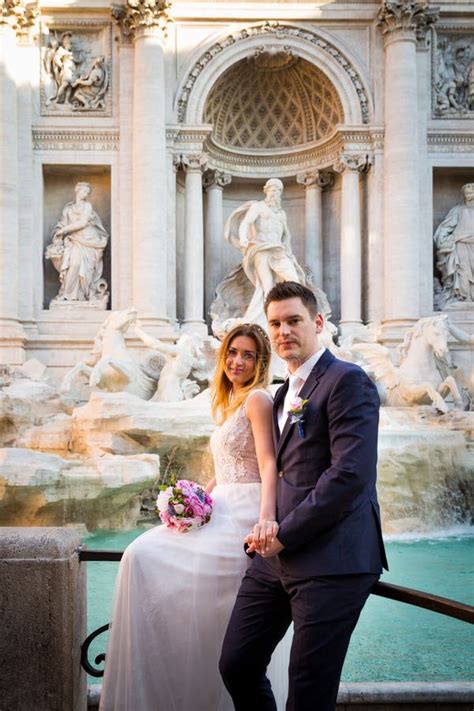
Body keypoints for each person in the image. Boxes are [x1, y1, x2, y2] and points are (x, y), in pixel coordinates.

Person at [99, 322, 289, 711]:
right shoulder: (232, 401)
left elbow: (269, 465)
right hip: (223, 504)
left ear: (260, 361)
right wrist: (197, 497)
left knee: (145, 557)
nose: (238, 361)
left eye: (248, 354)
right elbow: (232, 464)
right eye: (233, 352)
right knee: (142, 555)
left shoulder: (257, 400)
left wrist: (266, 519)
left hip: (245, 512)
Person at [220, 281, 388, 711]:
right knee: (236, 664)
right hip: (275, 556)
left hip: (333, 560)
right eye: (275, 323)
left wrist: (284, 533)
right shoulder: (280, 394)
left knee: (309, 693)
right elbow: (274, 469)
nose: (283, 332)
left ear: (317, 322)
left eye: (293, 320)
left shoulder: (348, 380)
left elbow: (349, 475)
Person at [214, 179, 313, 330]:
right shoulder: (258, 207)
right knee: (267, 287)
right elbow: (246, 223)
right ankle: (270, 322)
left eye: (277, 190)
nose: (274, 193)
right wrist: (243, 238)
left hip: (279, 251)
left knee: (294, 281)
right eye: (272, 190)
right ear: (266, 191)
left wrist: (289, 253)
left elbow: (285, 235)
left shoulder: (281, 214)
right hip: (261, 250)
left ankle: (296, 316)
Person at [45, 182, 109, 303]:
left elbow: (83, 223)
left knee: (84, 269)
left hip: (88, 239)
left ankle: (81, 295)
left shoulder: (87, 206)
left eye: (87, 192)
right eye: (83, 191)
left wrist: (64, 230)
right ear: (77, 191)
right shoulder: (68, 208)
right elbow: (62, 224)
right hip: (73, 240)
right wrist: (58, 234)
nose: (85, 194)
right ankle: (67, 294)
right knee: (73, 264)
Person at [434, 182, 474, 305]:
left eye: (471, 192)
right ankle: (464, 298)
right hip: (461, 244)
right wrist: (443, 238)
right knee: (463, 271)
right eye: (466, 193)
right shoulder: (457, 210)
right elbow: (446, 226)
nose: (468, 195)